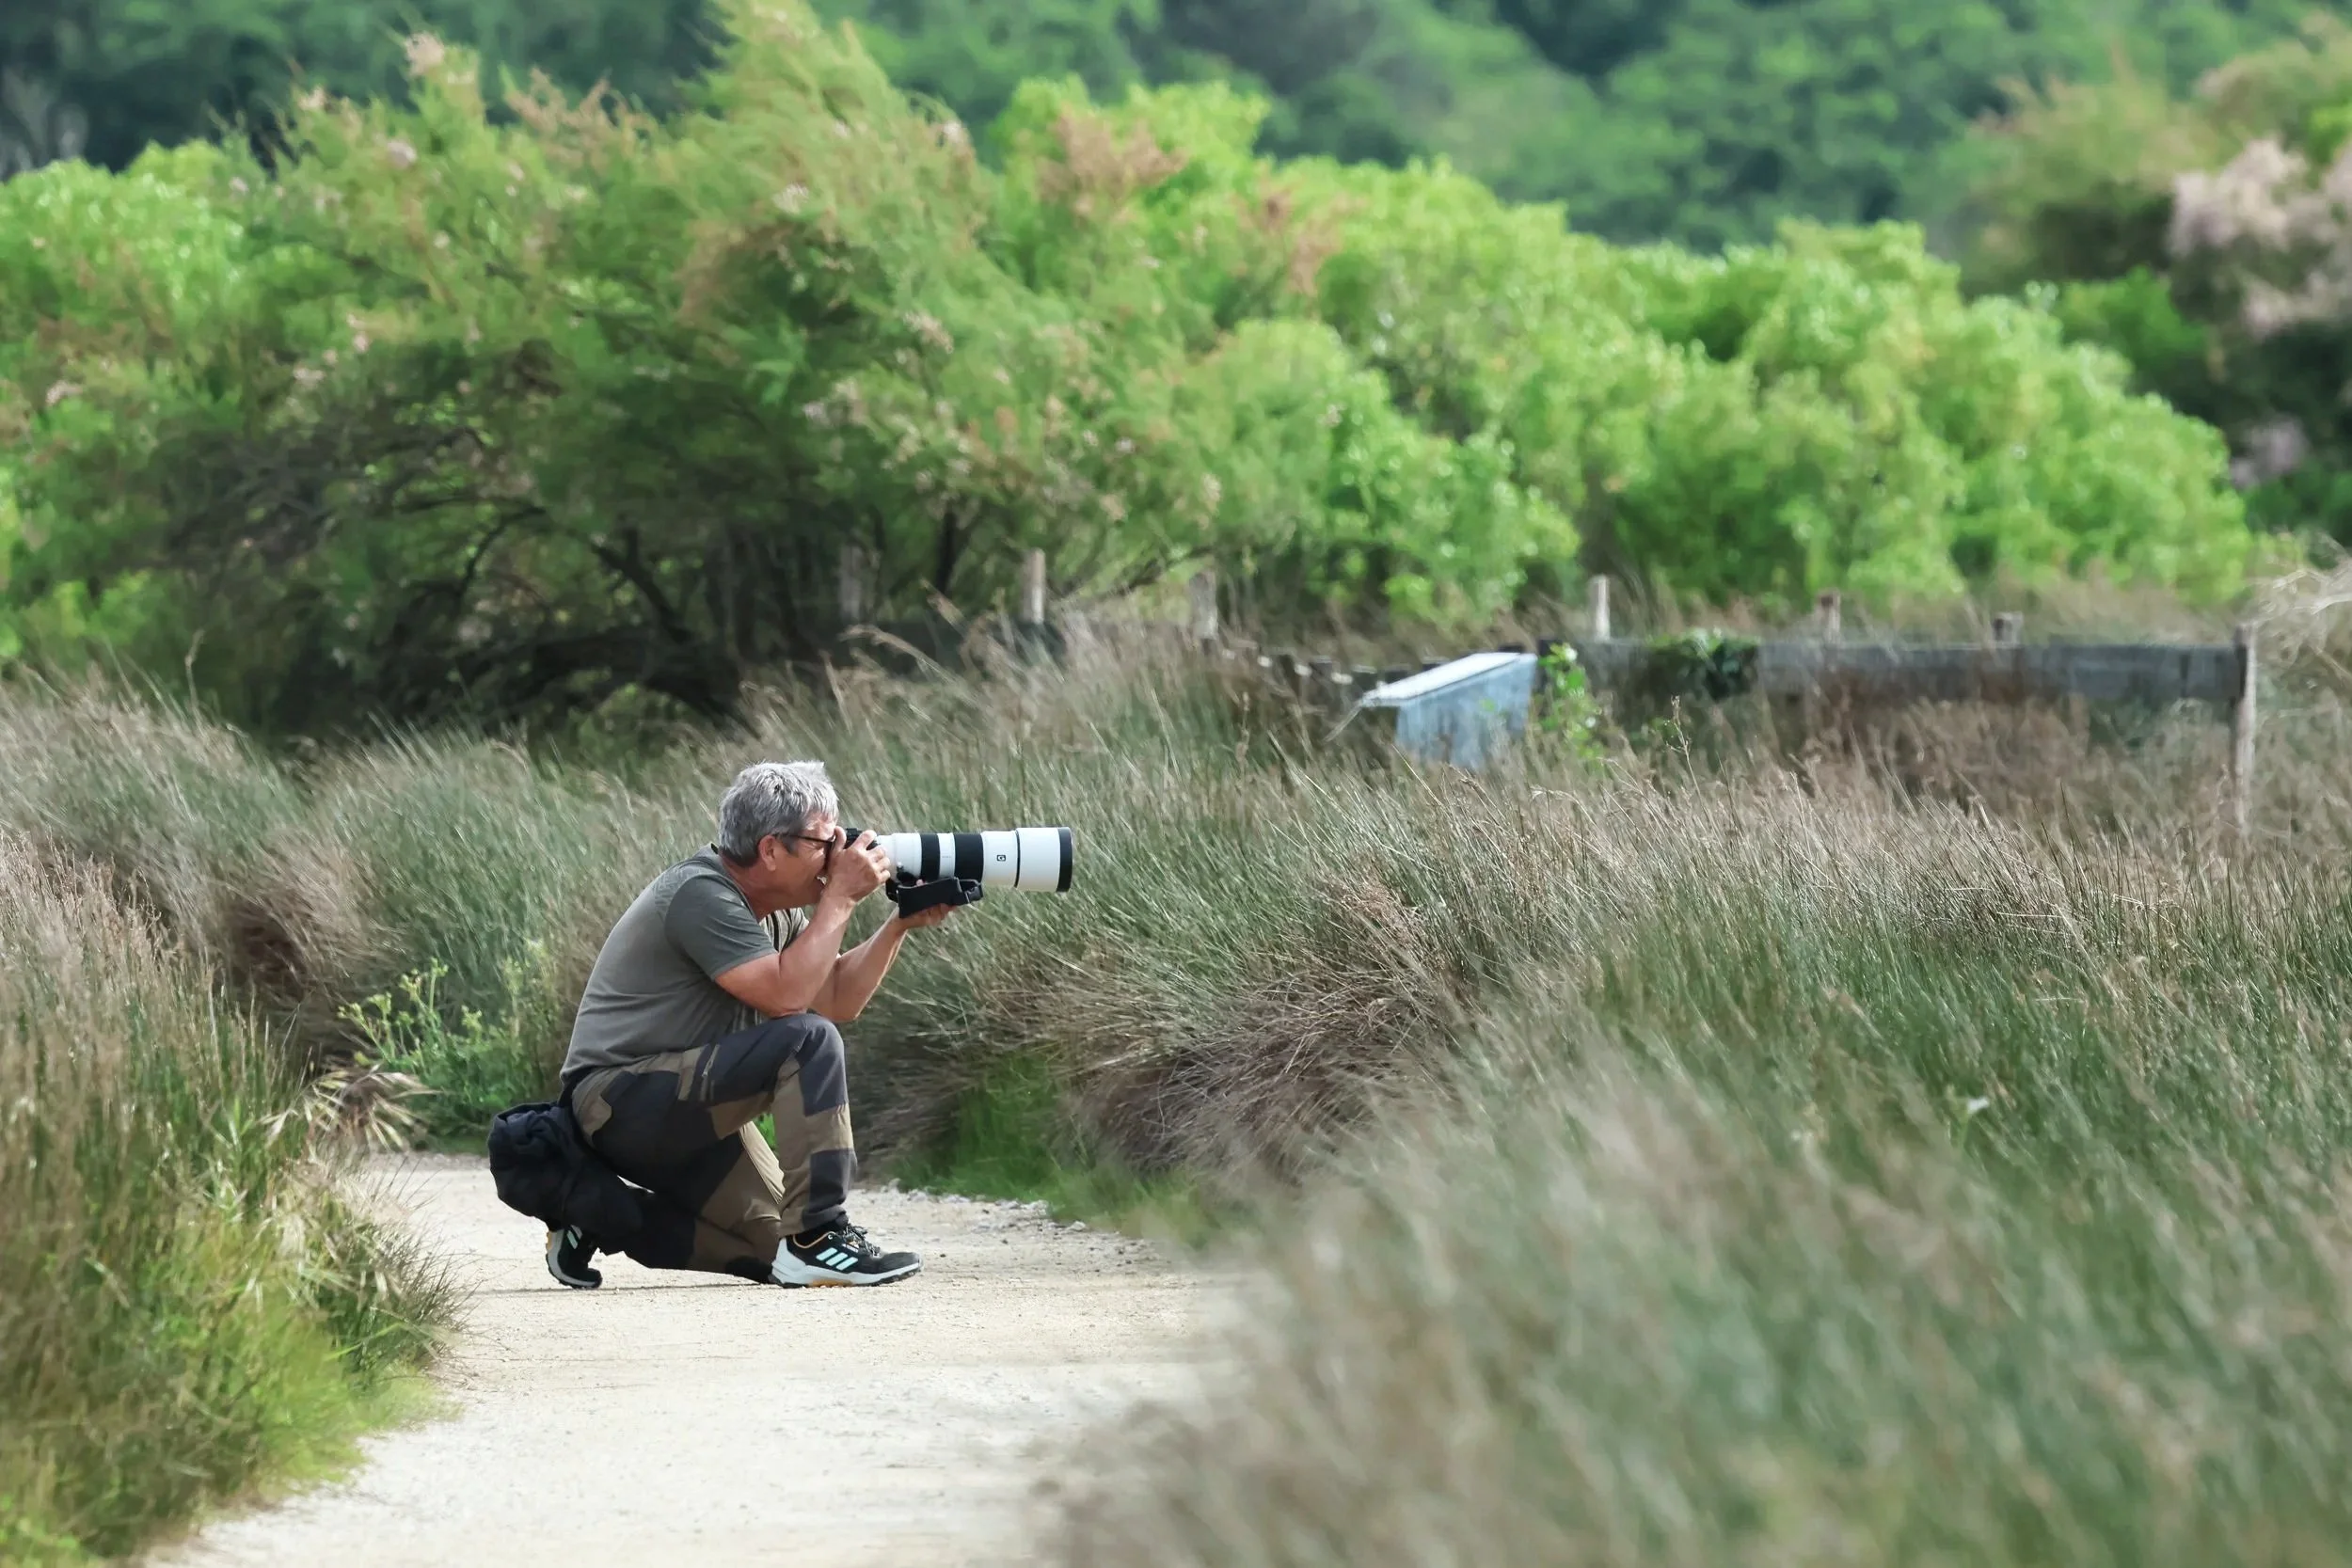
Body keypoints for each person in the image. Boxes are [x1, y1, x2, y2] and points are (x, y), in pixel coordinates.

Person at [545, 760, 955, 1289]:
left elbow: (832, 997)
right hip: (619, 1104)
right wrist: (840, 899)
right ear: (770, 849)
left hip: (690, 1106)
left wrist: (899, 926)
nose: (838, 853)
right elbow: (789, 1001)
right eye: (824, 842)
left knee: (776, 1253)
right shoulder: (700, 894)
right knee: (807, 1043)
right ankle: (821, 1235)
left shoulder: (777, 909)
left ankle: (597, 1215)